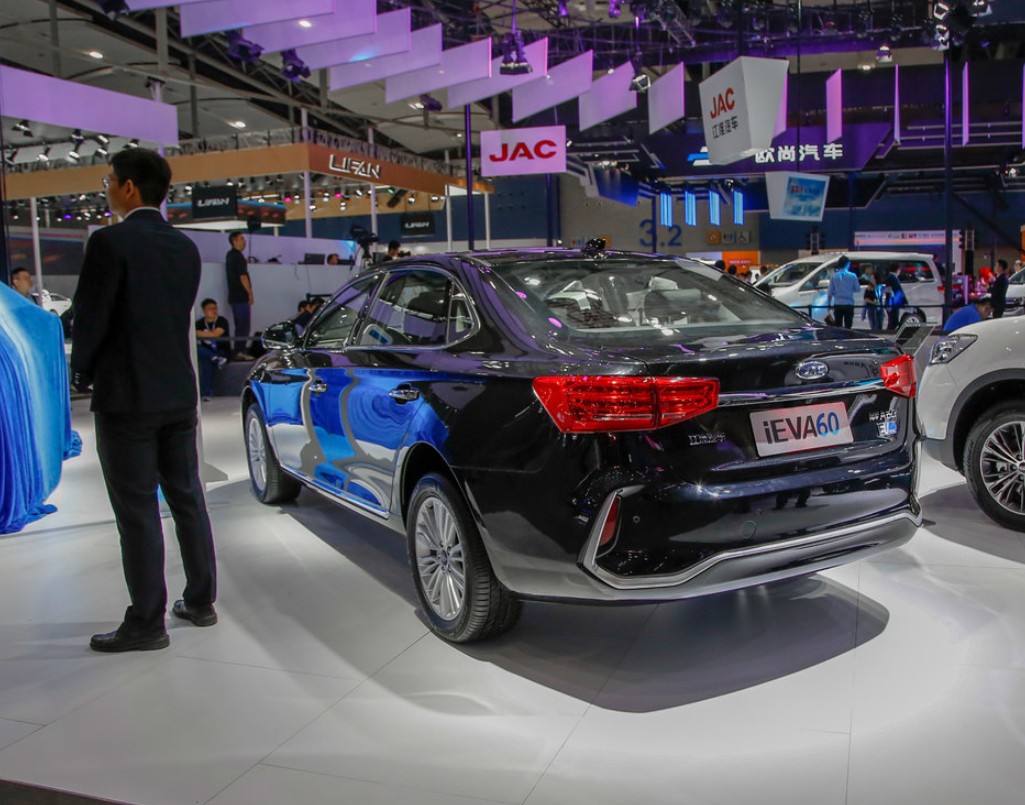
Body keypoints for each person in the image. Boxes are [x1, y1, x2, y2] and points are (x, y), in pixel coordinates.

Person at [71, 148, 217, 653]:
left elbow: (92, 317)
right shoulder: (184, 247)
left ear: (129, 187)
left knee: (136, 510)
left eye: (109, 181)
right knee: (187, 498)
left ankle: (146, 622)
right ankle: (200, 601)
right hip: (178, 392)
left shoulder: (109, 242)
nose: (107, 189)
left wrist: (81, 369)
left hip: (126, 397)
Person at [225, 231, 254, 359]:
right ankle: (240, 351)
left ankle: (239, 350)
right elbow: (243, 277)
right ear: (235, 241)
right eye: (241, 239)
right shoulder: (238, 257)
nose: (244, 241)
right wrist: (250, 293)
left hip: (234, 296)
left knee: (240, 325)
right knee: (243, 326)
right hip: (240, 296)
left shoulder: (230, 255)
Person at [195, 298, 230, 402]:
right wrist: (202, 333)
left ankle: (206, 392)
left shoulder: (222, 321)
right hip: (207, 350)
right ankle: (215, 358)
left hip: (220, 350)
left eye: (215, 308)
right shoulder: (199, 323)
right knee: (199, 352)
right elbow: (193, 333)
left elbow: (216, 334)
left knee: (207, 361)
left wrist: (200, 333)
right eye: (210, 308)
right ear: (204, 310)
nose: (213, 311)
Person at [826, 255, 860, 329]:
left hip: (838, 304)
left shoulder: (834, 276)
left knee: (838, 326)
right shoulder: (853, 276)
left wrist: (828, 305)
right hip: (849, 303)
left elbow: (830, 292)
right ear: (847, 264)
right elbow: (857, 289)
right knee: (848, 326)